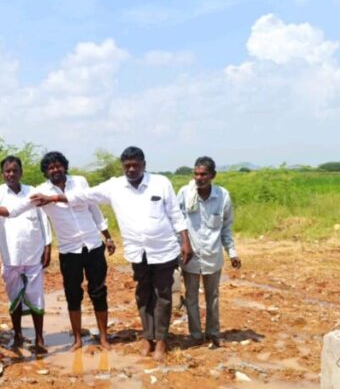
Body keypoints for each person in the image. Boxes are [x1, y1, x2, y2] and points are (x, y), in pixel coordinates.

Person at [34, 147, 191, 360]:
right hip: (134, 251)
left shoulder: (161, 183)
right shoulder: (114, 186)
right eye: (127, 166)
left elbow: (175, 214)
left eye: (135, 165)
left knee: (162, 294)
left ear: (144, 164)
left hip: (162, 248)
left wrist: (185, 241)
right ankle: (147, 337)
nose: (131, 169)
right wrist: (53, 198)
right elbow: (83, 196)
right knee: (142, 294)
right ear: (122, 166)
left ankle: (161, 340)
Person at [33, 151, 116, 351]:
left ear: (64, 166)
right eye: (50, 167)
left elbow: (94, 209)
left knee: (98, 291)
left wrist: (107, 236)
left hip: (93, 245)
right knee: (72, 294)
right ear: (45, 172)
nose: (55, 170)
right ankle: (77, 339)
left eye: (58, 165)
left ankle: (103, 337)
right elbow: (29, 212)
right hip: (69, 250)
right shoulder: (41, 191)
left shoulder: (80, 182)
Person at [0, 156, 52, 353]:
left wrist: (48, 246)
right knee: (14, 296)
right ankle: (17, 334)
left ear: (21, 172)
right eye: (7, 171)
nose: (11, 174)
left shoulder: (32, 192)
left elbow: (44, 220)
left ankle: (39, 338)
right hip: (10, 255)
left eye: (14, 170)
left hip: (33, 253)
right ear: (2, 174)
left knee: (36, 296)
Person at [177, 155, 240, 348]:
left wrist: (232, 252)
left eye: (203, 174)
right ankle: (195, 335)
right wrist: (178, 250)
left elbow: (226, 227)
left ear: (213, 175)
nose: (199, 178)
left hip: (212, 256)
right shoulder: (185, 193)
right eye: (196, 174)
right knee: (191, 297)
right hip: (190, 256)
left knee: (213, 296)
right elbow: (177, 223)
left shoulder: (222, 196)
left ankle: (212, 333)